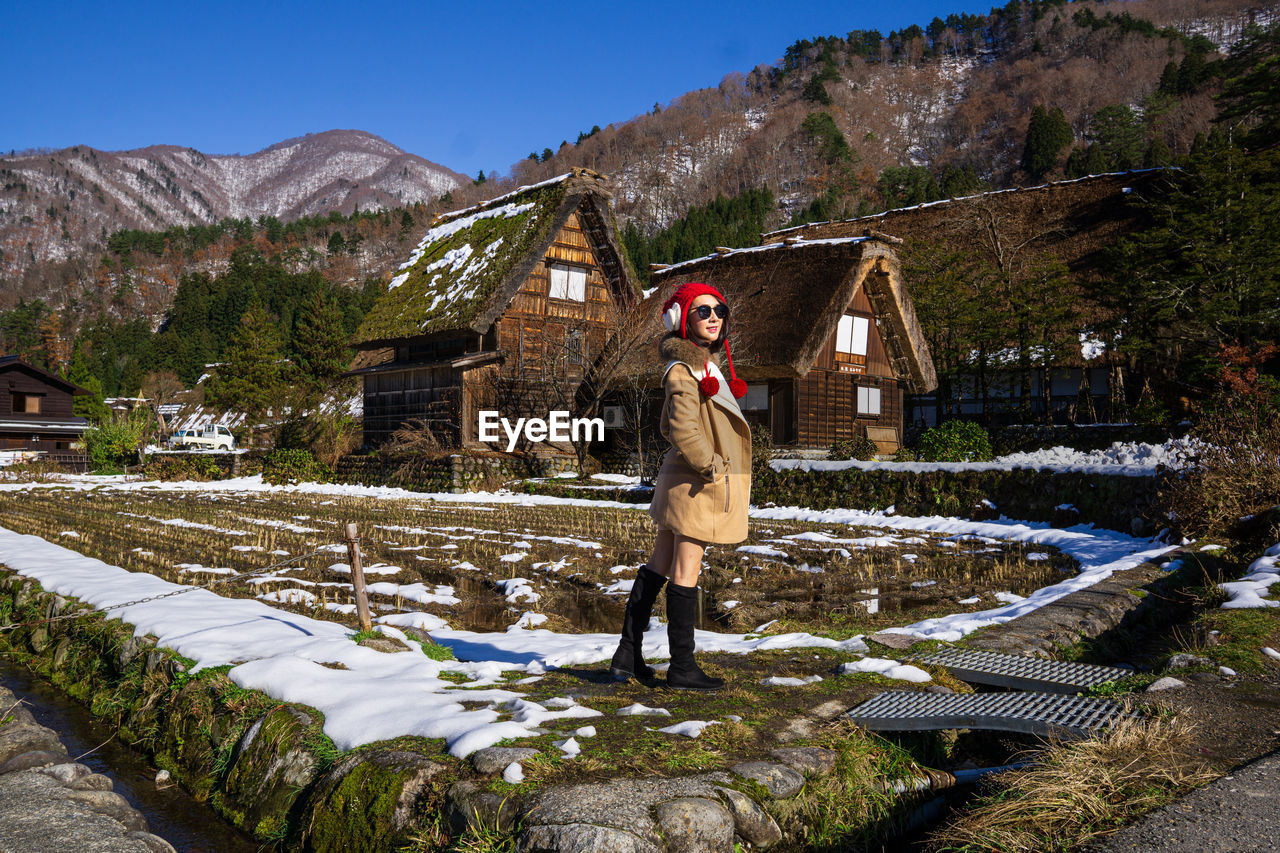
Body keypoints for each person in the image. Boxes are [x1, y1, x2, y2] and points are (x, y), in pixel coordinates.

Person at [609, 282, 752, 690]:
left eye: (719, 311)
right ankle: (682, 667)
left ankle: (627, 654)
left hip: (684, 479)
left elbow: (668, 422)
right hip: (695, 483)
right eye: (702, 312)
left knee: (659, 563)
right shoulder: (684, 368)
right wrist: (712, 466)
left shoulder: (701, 365)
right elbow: (683, 427)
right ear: (682, 320)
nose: (713, 318)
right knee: (686, 568)